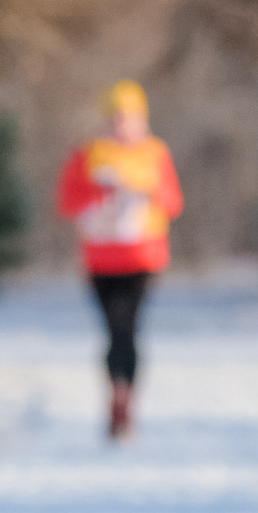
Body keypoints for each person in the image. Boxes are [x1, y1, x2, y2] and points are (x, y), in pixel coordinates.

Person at [55, 80, 183, 441]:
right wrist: (102, 194)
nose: (121, 124)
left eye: (128, 117)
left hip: (142, 257)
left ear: (141, 118)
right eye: (115, 117)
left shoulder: (155, 153)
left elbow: (173, 202)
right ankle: (118, 396)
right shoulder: (88, 154)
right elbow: (66, 202)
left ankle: (125, 401)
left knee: (128, 329)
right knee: (114, 331)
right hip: (100, 259)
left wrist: (145, 193)